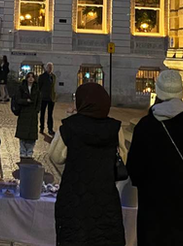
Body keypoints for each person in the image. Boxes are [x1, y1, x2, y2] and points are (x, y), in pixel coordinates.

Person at [128, 69, 183, 245]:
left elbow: (134, 168)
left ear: (158, 92)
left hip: (152, 207)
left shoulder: (145, 126)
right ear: (180, 93)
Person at [50, 83, 127, 246]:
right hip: (105, 198)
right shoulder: (115, 127)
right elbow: (123, 158)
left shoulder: (70, 126)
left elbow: (55, 156)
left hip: (74, 197)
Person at [15, 71, 41, 159]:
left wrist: (37, 110)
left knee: (31, 134)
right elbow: (18, 99)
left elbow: (39, 101)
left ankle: (29, 151)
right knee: (22, 134)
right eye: (29, 77)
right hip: (24, 113)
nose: (30, 79)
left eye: (32, 77)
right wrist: (26, 101)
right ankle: (22, 151)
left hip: (32, 114)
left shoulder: (37, 89)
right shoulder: (22, 88)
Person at [38, 62, 57, 135]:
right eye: (49, 67)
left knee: (50, 114)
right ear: (46, 68)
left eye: (51, 67)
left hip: (51, 98)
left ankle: (50, 129)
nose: (50, 69)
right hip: (43, 97)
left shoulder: (53, 76)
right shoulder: (42, 76)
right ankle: (42, 127)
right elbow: (39, 87)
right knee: (42, 113)